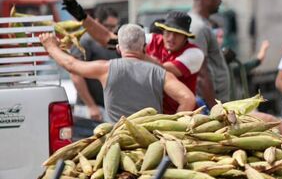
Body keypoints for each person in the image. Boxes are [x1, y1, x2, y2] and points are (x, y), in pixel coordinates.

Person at [38, 26, 196, 122]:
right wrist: (170, 126)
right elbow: (188, 99)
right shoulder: (161, 73)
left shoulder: (105, 68)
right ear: (144, 47)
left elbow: (71, 65)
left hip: (116, 143)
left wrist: (51, 47)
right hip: (152, 144)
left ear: (119, 48)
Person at [69, 6, 120, 138]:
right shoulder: (85, 41)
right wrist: (91, 106)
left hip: (110, 109)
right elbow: (75, 74)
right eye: (107, 26)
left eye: (114, 27)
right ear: (96, 22)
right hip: (90, 109)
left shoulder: (114, 42)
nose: (110, 31)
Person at [145, 11, 204, 114]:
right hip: (155, 114)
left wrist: (141, 56)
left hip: (183, 114)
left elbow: (165, 69)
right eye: (168, 32)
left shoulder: (195, 53)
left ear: (186, 37)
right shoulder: (153, 39)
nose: (171, 38)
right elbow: (129, 40)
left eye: (177, 34)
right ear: (163, 32)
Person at [189, 0, 231, 106]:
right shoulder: (198, 27)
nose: (220, 1)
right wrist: (215, 109)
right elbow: (201, 74)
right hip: (209, 105)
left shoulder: (202, 23)